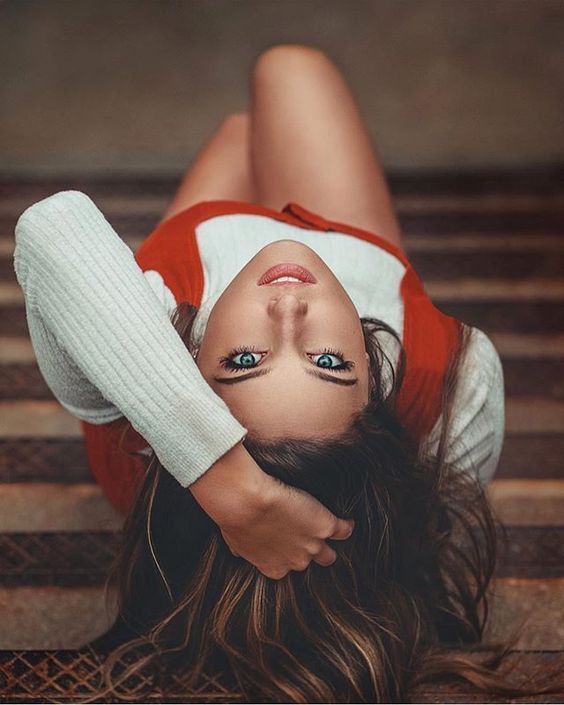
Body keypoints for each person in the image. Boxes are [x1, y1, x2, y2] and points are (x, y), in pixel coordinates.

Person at [15, 45, 545, 701]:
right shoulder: (444, 392)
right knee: (288, 70)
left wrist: (218, 473)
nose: (290, 309)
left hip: (203, 242)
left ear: (188, 366)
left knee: (244, 130)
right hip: (347, 245)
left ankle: (256, 181)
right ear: (380, 391)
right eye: (330, 362)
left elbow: (53, 227)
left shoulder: (133, 394)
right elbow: (416, 516)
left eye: (243, 362)